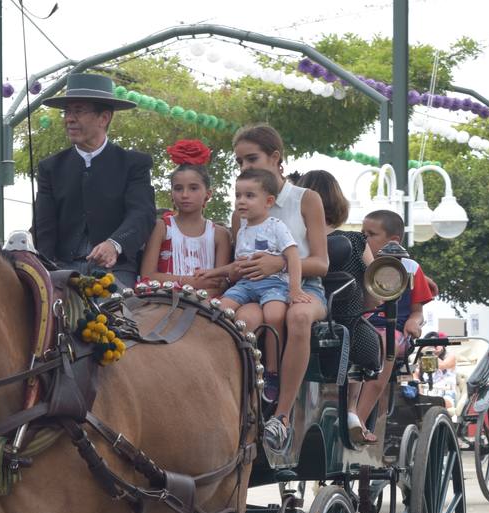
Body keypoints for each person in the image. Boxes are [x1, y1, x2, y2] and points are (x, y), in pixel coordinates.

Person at [225, 124, 329, 455]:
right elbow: (238, 262)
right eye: (240, 162)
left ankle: (281, 418)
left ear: (275, 158)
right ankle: (239, 408)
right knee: (239, 319)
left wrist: (278, 263)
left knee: (298, 317)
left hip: (304, 286)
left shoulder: (306, 199)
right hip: (255, 288)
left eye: (251, 158)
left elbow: (321, 262)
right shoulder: (240, 210)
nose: (246, 168)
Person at [33, 73, 155, 287]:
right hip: (61, 269)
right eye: (67, 112)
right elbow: (44, 228)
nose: (69, 119)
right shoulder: (51, 168)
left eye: (78, 111)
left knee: (121, 316)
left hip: (114, 269)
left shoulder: (133, 164)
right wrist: (46, 269)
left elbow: (142, 214)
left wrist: (114, 244)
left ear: (104, 118)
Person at [295, 170, 385, 426]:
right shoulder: (356, 241)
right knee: (359, 335)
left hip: (302, 320)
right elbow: (373, 292)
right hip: (345, 326)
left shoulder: (294, 242)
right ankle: (351, 409)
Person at [351, 210, 436, 443]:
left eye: (370, 234)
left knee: (380, 343)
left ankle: (357, 419)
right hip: (364, 324)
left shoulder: (410, 268)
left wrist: (413, 321)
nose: (363, 239)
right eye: (362, 233)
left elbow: (418, 311)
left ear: (393, 241)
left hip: (393, 330)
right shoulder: (358, 263)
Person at [138, 140, 233, 295]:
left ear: (208, 194)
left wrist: (199, 301)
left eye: (193, 188)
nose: (185, 195)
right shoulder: (161, 227)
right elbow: (147, 276)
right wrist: (190, 282)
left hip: (205, 306)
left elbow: (220, 283)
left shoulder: (220, 234)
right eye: (178, 188)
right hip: (163, 299)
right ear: (171, 194)